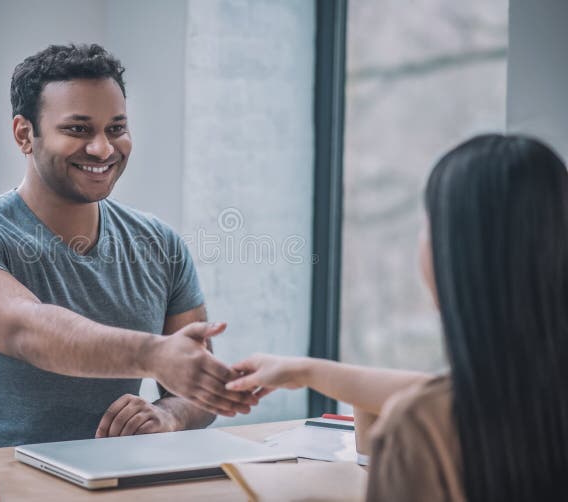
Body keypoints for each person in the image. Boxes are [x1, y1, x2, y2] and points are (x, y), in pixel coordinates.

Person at [0, 44, 256, 452]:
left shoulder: (160, 243)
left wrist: (171, 414)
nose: (102, 148)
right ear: (25, 134)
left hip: (106, 478)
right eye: (78, 129)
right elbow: (28, 330)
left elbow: (197, 383)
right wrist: (153, 354)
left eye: (115, 128)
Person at [227, 134, 568, 501]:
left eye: (428, 225)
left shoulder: (418, 430)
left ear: (455, 256)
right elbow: (443, 393)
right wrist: (303, 371)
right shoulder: (533, 394)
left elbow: (436, 404)